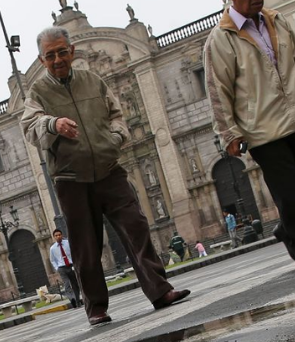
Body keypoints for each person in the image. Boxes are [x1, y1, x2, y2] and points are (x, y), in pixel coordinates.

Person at [22, 26, 190, 326]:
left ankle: (160, 291)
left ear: (72, 51)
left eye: (62, 52)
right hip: (71, 178)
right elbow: (30, 126)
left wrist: (115, 138)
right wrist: (53, 124)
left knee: (136, 226)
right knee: (86, 245)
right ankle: (96, 307)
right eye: (50, 55)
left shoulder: (92, 81)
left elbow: (116, 115)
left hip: (109, 170)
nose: (58, 59)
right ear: (42, 60)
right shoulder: (37, 92)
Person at [205, 0, 295, 270]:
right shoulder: (221, 40)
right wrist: (229, 133)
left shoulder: (278, 21)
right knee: (290, 190)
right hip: (262, 129)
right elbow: (218, 91)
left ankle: (288, 228)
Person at [47, 229, 81, 309]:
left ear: (62, 235)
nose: (58, 236)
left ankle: (77, 301)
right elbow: (52, 260)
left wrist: (75, 263)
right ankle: (72, 298)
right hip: (62, 268)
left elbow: (74, 252)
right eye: (56, 235)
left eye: (59, 235)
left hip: (71, 266)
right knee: (66, 284)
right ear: (54, 237)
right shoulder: (52, 248)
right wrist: (57, 268)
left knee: (75, 284)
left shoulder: (68, 243)